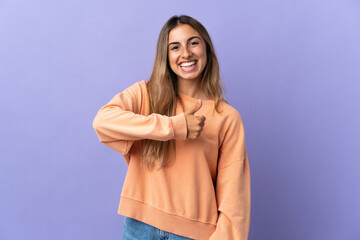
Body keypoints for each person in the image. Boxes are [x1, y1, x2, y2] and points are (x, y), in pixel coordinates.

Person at [92, 15, 251, 240]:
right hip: (140, 226)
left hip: (194, 235)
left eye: (193, 42)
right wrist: (172, 127)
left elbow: (235, 200)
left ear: (206, 48)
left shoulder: (227, 117)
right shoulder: (145, 94)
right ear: (165, 56)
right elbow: (102, 122)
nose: (185, 53)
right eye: (175, 47)